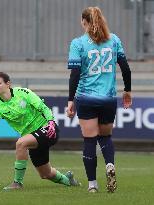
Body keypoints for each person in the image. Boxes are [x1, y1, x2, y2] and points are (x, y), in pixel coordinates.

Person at [0, 72, 81, 190]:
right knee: (45, 174)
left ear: (8, 84)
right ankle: (69, 180)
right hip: (32, 137)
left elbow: (43, 107)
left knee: (21, 143)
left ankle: (17, 183)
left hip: (47, 130)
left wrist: (51, 122)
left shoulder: (23, 93)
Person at [66, 7, 132, 193]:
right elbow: (126, 69)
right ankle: (109, 164)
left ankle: (92, 185)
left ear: (84, 22)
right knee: (105, 137)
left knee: (89, 141)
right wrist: (127, 91)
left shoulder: (78, 43)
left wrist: (71, 100)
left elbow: (75, 74)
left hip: (86, 98)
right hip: (109, 98)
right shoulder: (114, 40)